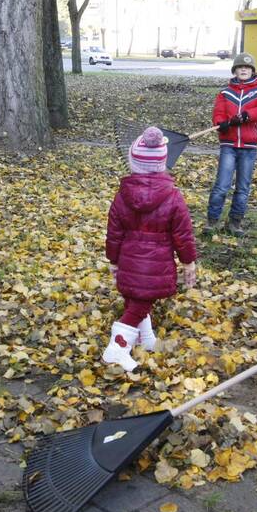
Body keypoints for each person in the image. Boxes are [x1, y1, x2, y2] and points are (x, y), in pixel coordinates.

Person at [103, 127, 198, 371]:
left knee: (137, 301)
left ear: (133, 162)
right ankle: (116, 348)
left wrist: (113, 260)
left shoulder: (122, 196)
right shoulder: (173, 197)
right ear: (163, 164)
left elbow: (114, 233)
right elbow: (183, 234)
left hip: (129, 262)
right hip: (157, 265)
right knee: (138, 306)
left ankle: (146, 340)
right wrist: (189, 262)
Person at [206, 52, 257, 236]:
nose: (243, 69)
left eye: (247, 67)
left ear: (252, 71)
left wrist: (247, 115)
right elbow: (218, 113)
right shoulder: (225, 93)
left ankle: (235, 223)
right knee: (221, 185)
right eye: (240, 67)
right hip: (228, 146)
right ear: (235, 70)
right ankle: (212, 221)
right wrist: (220, 123)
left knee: (243, 188)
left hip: (248, 147)